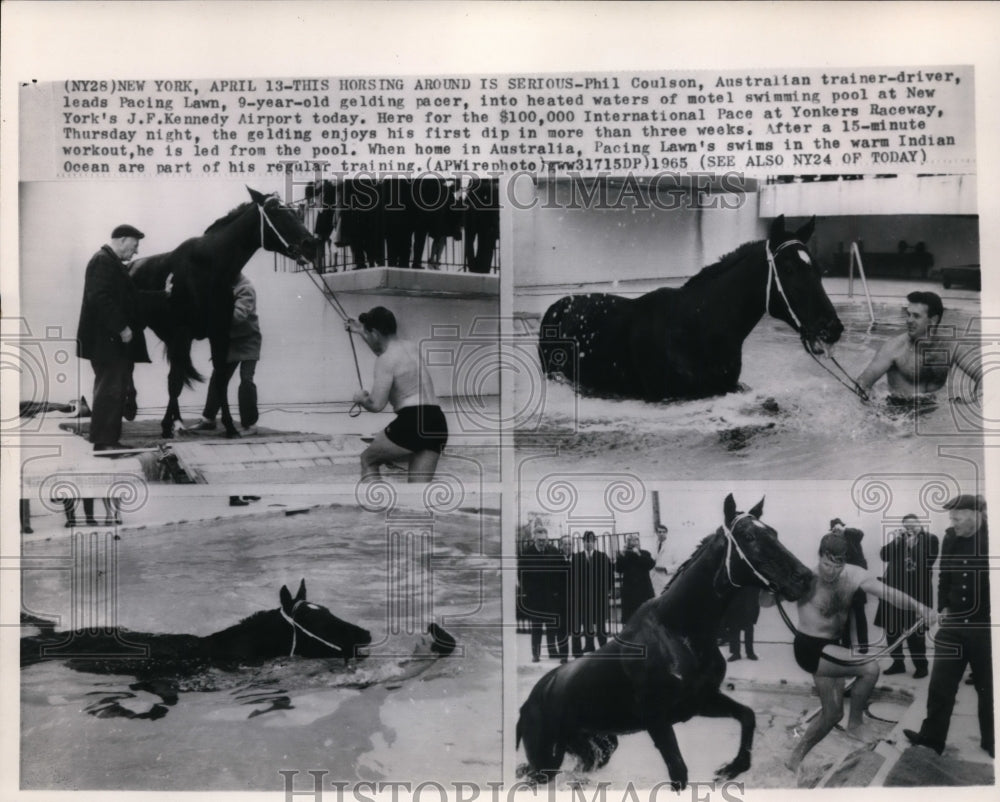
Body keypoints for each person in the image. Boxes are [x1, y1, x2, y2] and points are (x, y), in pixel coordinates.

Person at [764, 531, 936, 771]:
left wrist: (920, 607)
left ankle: (794, 759)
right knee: (870, 668)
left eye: (838, 565)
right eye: (826, 564)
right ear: (820, 557)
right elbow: (767, 602)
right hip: (809, 648)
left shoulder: (854, 575)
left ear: (844, 561)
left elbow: (889, 594)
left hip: (833, 648)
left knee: (832, 715)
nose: (831, 571)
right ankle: (855, 723)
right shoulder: (805, 578)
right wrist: (770, 584)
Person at [904, 494, 992, 758]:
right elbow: (943, 575)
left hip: (985, 627)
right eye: (950, 516)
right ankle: (931, 739)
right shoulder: (950, 537)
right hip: (953, 624)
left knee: (989, 689)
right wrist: (941, 608)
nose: (951, 521)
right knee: (940, 684)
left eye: (956, 516)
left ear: (974, 514)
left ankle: (992, 741)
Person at [76, 225, 163, 451]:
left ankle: (108, 440)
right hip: (107, 342)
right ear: (123, 240)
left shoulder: (112, 263)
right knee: (110, 390)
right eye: (135, 245)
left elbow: (133, 298)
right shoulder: (102, 261)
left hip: (111, 343)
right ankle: (104, 443)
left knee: (114, 390)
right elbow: (99, 298)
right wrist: (121, 327)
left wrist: (165, 294)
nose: (135, 252)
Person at [346, 306, 448, 483]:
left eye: (370, 334)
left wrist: (361, 399)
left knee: (368, 460)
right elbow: (383, 351)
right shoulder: (410, 347)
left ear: (376, 333)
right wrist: (362, 331)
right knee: (417, 494)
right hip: (437, 422)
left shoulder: (384, 361)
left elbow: (376, 404)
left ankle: (374, 509)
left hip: (412, 421)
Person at [856, 291, 982, 400]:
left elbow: (986, 378)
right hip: (897, 413)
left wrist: (968, 401)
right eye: (908, 314)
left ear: (933, 320)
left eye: (916, 316)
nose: (909, 320)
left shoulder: (951, 346)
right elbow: (863, 382)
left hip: (933, 411)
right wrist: (869, 400)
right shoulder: (894, 348)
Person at [188, 274, 261, 437]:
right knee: (218, 376)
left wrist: (211, 321)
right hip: (229, 339)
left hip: (248, 339)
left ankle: (250, 424)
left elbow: (238, 316)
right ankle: (209, 419)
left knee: (246, 379)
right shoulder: (221, 283)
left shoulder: (245, 288)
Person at [875, 513, 939, 678]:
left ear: (920, 524)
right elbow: (884, 556)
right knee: (891, 630)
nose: (909, 528)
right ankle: (898, 663)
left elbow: (929, 561)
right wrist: (896, 540)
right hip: (892, 592)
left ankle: (921, 666)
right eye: (906, 525)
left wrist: (913, 547)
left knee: (915, 633)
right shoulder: (900, 539)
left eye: (913, 525)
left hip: (916, 594)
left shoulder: (931, 539)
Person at [570, 531, 613, 657]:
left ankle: (603, 648)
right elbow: (573, 577)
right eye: (586, 541)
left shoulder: (602, 556)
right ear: (583, 542)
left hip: (599, 596)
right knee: (587, 623)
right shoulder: (577, 557)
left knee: (600, 625)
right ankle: (589, 645)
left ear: (594, 542)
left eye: (591, 541)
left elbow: (609, 575)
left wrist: (607, 591)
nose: (589, 543)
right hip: (583, 598)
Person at [830, 519, 870, 654]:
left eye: (838, 529)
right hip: (841, 583)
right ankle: (846, 644)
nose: (837, 532)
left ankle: (864, 646)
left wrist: (844, 530)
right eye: (834, 530)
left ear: (843, 527)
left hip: (857, 582)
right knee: (844, 616)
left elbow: (860, 533)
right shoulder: (832, 544)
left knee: (860, 614)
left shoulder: (853, 537)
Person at [518, 530, 558, 663]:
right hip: (535, 597)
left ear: (547, 539)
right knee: (536, 627)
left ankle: (553, 651)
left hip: (551, 596)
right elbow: (522, 575)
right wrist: (529, 591)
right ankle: (536, 654)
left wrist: (556, 591)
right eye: (539, 540)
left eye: (544, 540)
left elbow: (558, 572)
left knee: (551, 626)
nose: (542, 542)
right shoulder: (527, 553)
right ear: (534, 539)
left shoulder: (553, 551)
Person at [614, 533, 655, 624]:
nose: (634, 542)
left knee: (645, 617)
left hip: (644, 589)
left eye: (636, 540)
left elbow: (651, 564)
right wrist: (622, 555)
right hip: (630, 590)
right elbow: (618, 569)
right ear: (628, 543)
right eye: (631, 540)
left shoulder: (645, 553)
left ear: (639, 542)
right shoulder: (625, 554)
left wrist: (638, 554)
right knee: (630, 618)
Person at [721, 586, 760, 662]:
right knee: (734, 631)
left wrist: (755, 615)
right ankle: (736, 653)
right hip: (735, 609)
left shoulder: (752, 585)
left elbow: (755, 599)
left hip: (747, 610)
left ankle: (750, 653)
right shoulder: (734, 582)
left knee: (749, 631)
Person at [650, 524, 671, 596]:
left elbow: (679, 563)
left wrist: (665, 568)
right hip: (655, 579)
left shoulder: (673, 546)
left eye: (663, 532)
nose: (661, 534)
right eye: (659, 532)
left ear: (666, 533)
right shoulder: (653, 545)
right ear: (656, 533)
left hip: (667, 579)